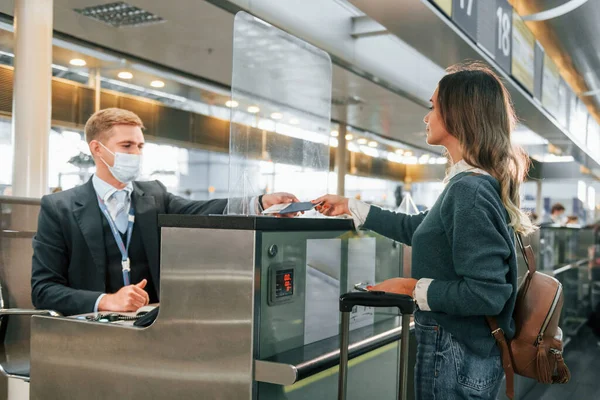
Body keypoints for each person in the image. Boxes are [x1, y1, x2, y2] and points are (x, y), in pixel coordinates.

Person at [313, 63, 536, 399]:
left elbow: (487, 293)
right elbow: (418, 229)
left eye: (433, 106)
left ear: (459, 114)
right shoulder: (469, 183)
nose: (426, 117)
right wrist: (352, 206)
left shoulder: (470, 190)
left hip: (456, 355)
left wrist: (409, 287)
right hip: (463, 353)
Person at [31, 108, 299, 316]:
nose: (135, 154)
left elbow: (202, 210)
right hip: (90, 332)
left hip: (152, 327)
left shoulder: (154, 195)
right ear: (97, 149)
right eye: (127, 146)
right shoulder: (60, 208)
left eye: (140, 146)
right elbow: (43, 290)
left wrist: (261, 202)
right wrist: (106, 300)